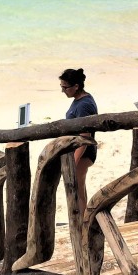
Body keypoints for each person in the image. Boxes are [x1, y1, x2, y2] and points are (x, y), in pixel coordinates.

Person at [59, 68, 98, 210]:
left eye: (65, 87)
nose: (63, 91)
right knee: (80, 189)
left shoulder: (84, 105)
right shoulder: (79, 99)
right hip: (79, 152)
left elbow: (85, 137)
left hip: (83, 153)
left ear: (76, 86)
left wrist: (74, 161)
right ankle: (83, 222)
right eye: (61, 87)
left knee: (78, 190)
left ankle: (82, 225)